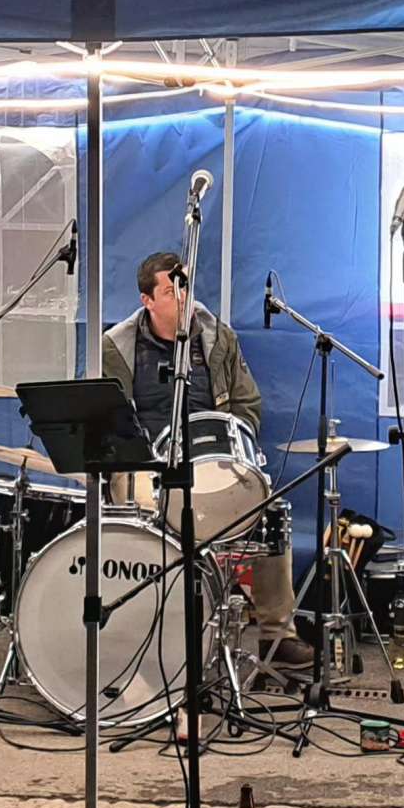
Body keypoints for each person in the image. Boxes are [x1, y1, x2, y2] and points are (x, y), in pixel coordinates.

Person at [102, 251, 314, 669]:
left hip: (209, 461)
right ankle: (142, 631)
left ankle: (277, 636)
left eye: (185, 285)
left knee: (270, 510)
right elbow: (106, 417)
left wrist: (232, 442)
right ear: (147, 301)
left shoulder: (218, 338)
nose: (183, 297)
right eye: (170, 290)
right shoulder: (117, 347)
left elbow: (247, 405)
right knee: (133, 502)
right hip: (147, 468)